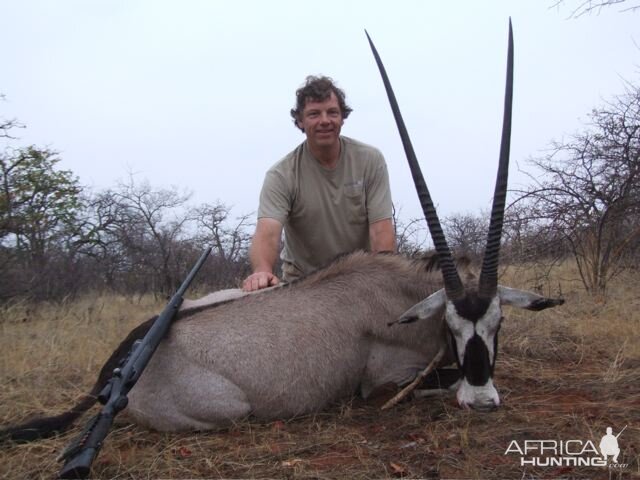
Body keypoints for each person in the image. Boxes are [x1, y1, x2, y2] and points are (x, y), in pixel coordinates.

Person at [242, 75, 396, 292]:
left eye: (332, 112)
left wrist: (383, 279)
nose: (325, 120)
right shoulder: (281, 174)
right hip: (304, 285)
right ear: (300, 122)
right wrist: (262, 270)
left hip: (360, 282)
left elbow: (381, 231)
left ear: (342, 118)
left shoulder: (370, 160)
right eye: (314, 114)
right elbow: (267, 232)